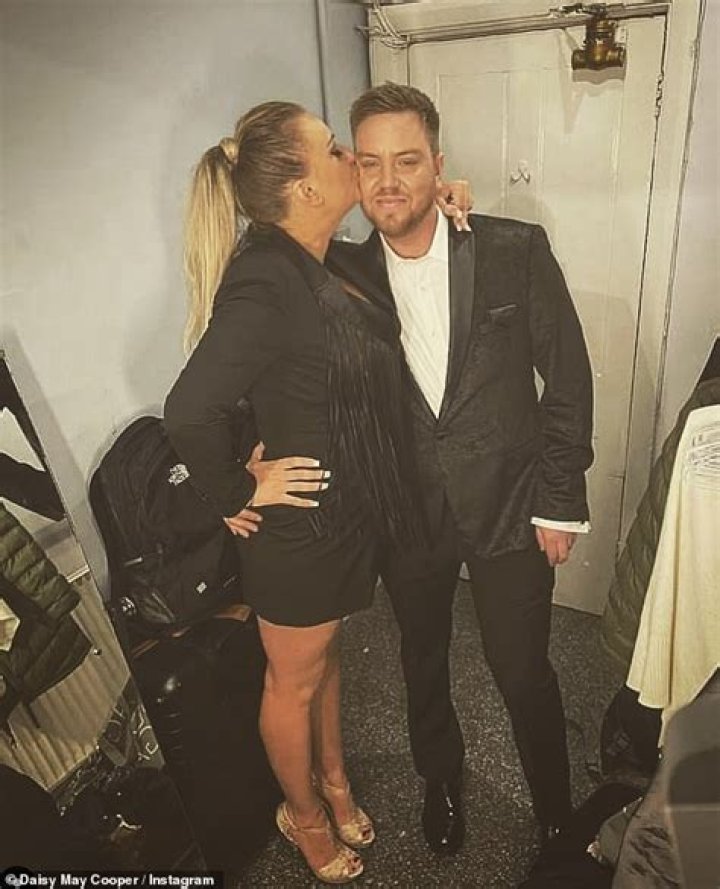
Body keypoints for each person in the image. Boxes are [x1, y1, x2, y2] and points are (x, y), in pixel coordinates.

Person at [163, 101, 469, 883]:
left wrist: (440, 203)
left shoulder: (314, 257)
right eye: (335, 150)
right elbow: (189, 408)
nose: (350, 160)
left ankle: (333, 785)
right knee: (292, 682)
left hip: (339, 518)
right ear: (303, 187)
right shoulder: (267, 277)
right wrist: (237, 487)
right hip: (298, 530)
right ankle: (300, 816)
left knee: (324, 661)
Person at [325, 83, 594, 855]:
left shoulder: (513, 249)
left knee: (522, 668)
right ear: (353, 170)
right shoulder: (339, 273)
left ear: (439, 164)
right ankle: (440, 778)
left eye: (407, 161)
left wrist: (559, 500)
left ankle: (554, 810)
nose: (388, 181)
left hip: (510, 503)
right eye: (370, 162)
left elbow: (567, 377)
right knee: (423, 658)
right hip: (407, 510)